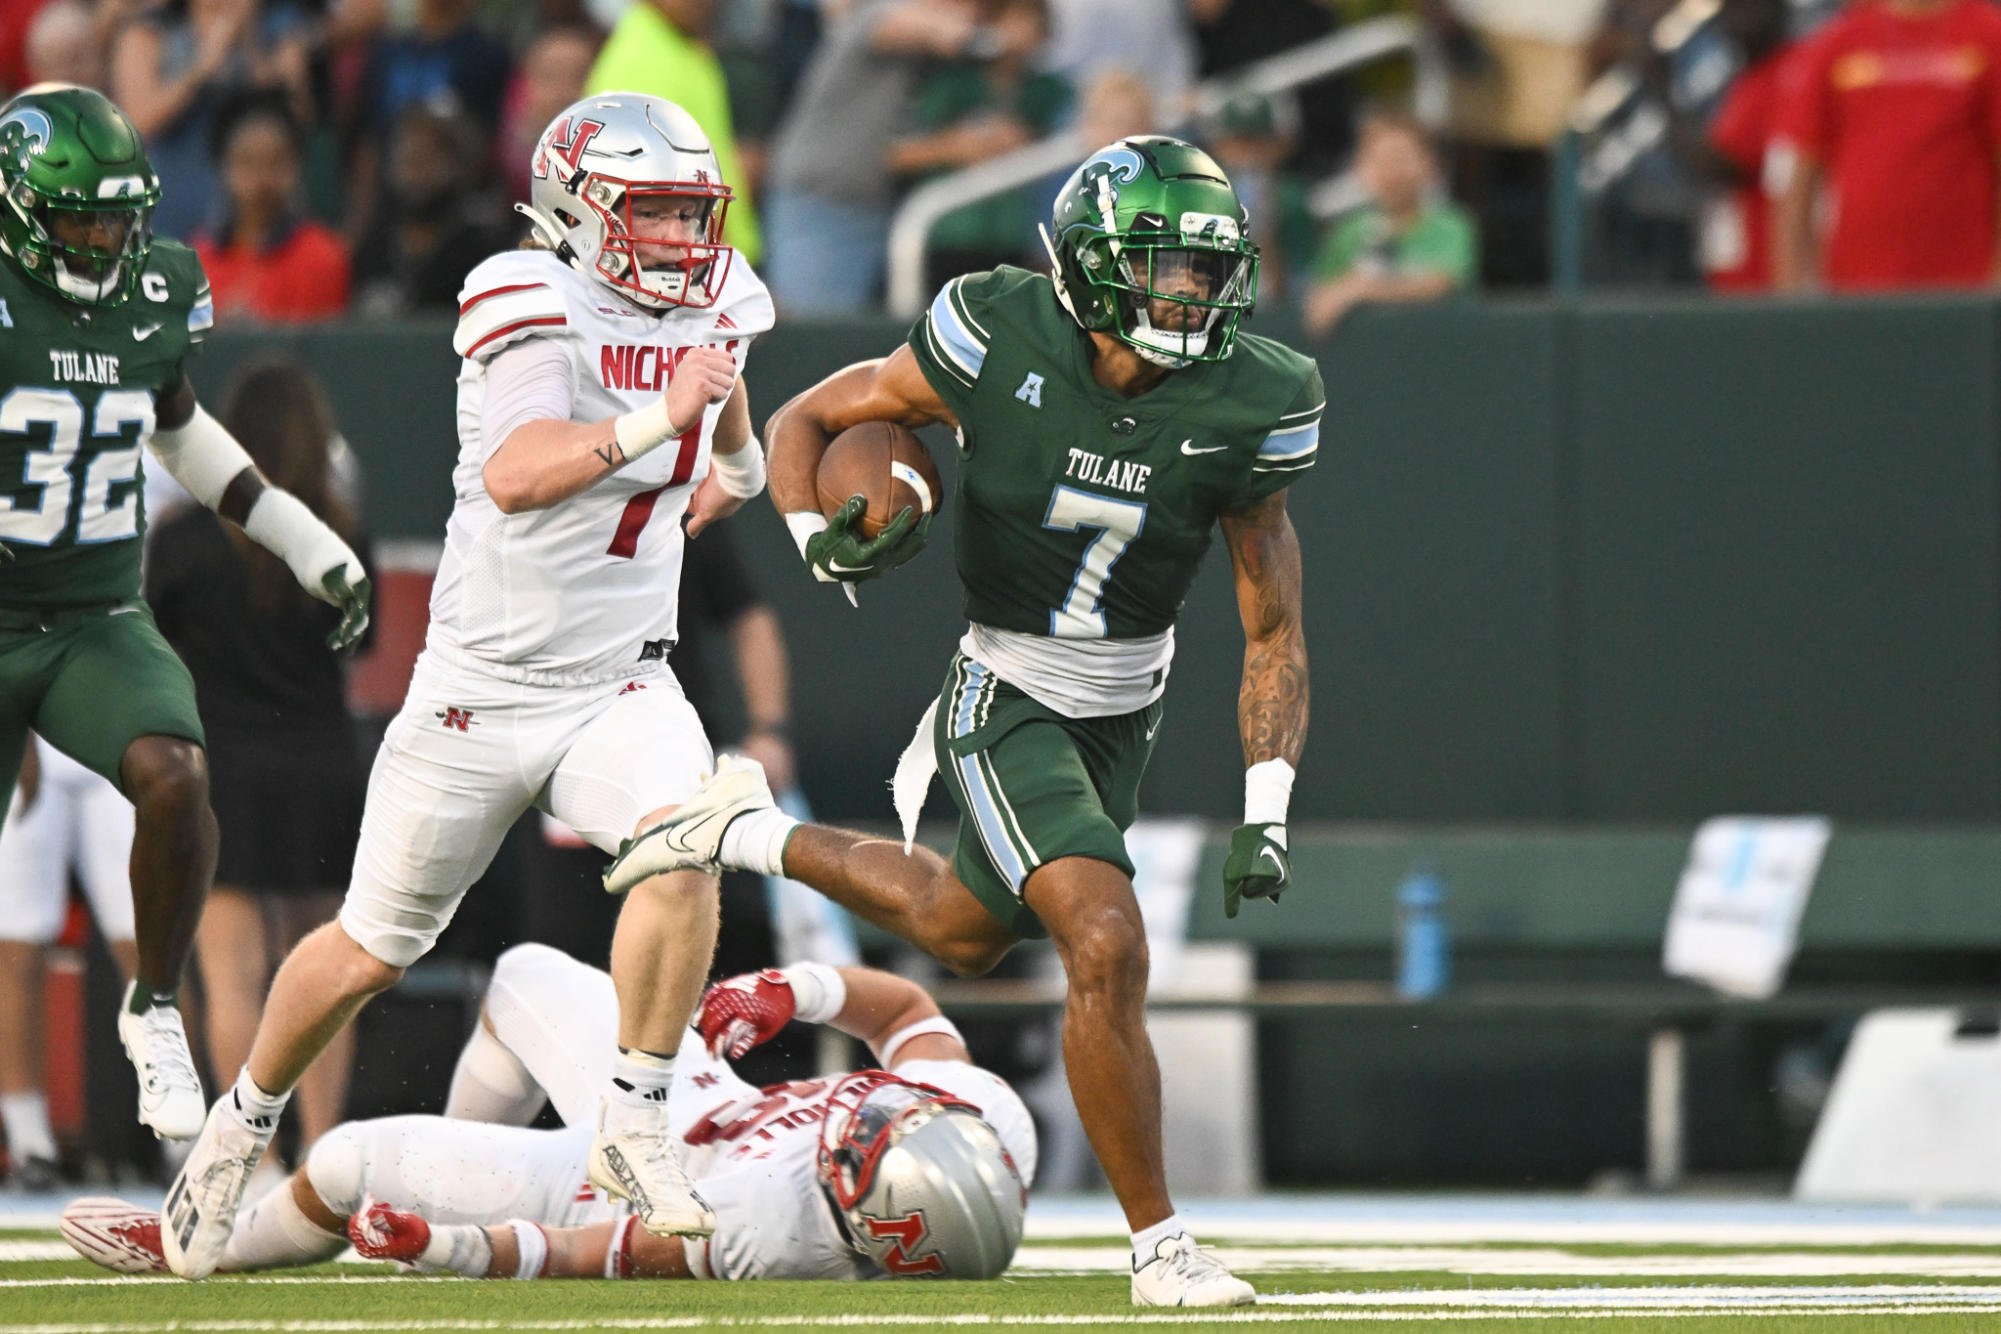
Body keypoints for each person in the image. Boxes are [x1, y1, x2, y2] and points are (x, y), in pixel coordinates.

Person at [622, 134, 1318, 1308]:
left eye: (1207, 270)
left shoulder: (1256, 393)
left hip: (1126, 703)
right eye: (1164, 266)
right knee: (1104, 936)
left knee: (961, 929)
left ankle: (746, 829)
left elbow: (1274, 627)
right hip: (1010, 691)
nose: (1191, 294)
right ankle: (1162, 1250)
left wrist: (1270, 807)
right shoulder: (998, 331)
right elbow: (803, 420)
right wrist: (816, 536)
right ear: (1093, 266)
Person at [160, 90, 773, 1280]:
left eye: (691, 213)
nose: (681, 242)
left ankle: (634, 1117)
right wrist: (665, 418)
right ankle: (238, 1128)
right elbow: (518, 472)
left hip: (618, 678)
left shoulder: (717, 292)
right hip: (481, 688)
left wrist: (736, 461)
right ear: (577, 212)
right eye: (650, 214)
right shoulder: (527, 296)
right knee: (370, 945)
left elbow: (720, 378)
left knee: (686, 843)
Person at [0, 86, 370, 1151]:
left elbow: (178, 427)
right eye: (79, 218)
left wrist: (303, 538)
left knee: (177, 774)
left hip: (88, 612)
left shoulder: (151, 289)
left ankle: (154, 1003)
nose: (104, 239)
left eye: (119, 216)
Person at [61, 947, 1033, 1282]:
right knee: (525, 974)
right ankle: (467, 1137)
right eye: (885, 1112)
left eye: (850, 1153)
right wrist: (799, 987)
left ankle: (218, 1246)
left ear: (866, 1222)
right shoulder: (978, 1117)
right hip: (704, 1101)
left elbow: (574, 1255)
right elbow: (907, 1012)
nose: (857, 1114)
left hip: (619, 1184)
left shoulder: (766, 1229)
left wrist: (440, 1245)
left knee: (352, 1158)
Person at [145, 356, 372, 1168]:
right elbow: (363, 644)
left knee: (231, 974)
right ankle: (322, 1157)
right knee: (327, 967)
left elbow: (149, 647)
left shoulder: (181, 540)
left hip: (226, 769)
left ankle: (255, 1164)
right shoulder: (339, 529)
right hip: (321, 766)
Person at [1773, 0, 2001, 292]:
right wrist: (1792, 288)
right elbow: (1801, 174)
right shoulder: (1838, 43)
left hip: (1963, 291)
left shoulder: (1987, 35)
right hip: (1857, 291)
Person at [0, 735, 138, 1190]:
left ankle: (187, 1141)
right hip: (22, 725)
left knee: (150, 950)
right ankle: (30, 1144)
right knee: (17, 949)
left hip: (116, 729)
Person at [584, 0, 760, 262]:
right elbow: (653, 198)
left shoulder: (678, 48)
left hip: (712, 261)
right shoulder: (641, 61)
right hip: (686, 266)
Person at [1304, 109, 1478, 336]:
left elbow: (1440, 283)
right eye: (1377, 159)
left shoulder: (1452, 225)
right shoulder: (1349, 231)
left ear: (1430, 165)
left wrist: (1360, 290)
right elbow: (1322, 292)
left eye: (1401, 157)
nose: (1390, 171)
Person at [192, 95, 351, 323]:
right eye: (247, 162)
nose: (262, 179)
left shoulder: (324, 256)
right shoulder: (196, 261)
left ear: (298, 168)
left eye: (276, 161)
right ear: (224, 170)